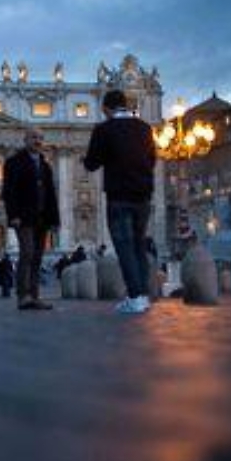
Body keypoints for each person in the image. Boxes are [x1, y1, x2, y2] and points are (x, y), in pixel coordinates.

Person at [83, 89, 156, 314]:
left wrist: (86, 160)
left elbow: (92, 163)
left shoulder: (104, 129)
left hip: (119, 196)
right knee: (139, 244)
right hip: (143, 194)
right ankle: (142, 295)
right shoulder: (145, 128)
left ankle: (134, 297)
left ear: (106, 108)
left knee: (124, 246)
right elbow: (152, 159)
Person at [2, 129, 60, 310]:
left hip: (42, 217)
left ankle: (34, 296)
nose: (38, 141)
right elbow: (9, 191)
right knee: (26, 253)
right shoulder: (14, 162)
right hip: (24, 217)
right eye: (34, 138)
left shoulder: (45, 165)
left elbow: (51, 194)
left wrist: (54, 220)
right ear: (25, 140)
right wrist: (13, 216)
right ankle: (23, 295)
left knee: (37, 257)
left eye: (40, 138)